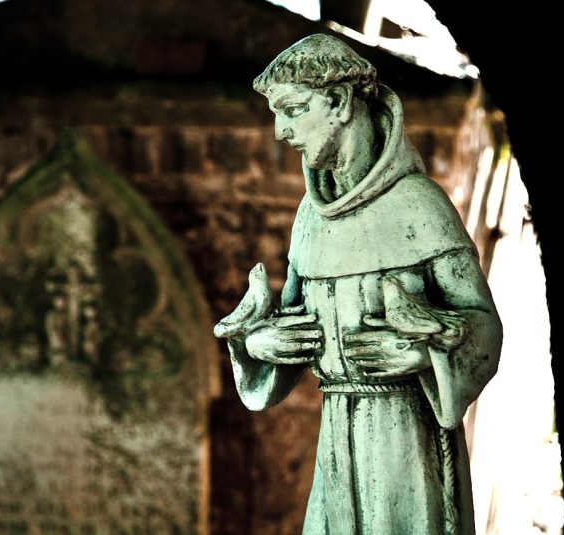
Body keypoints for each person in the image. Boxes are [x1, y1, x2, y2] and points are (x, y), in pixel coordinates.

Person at [215, 34, 502, 535]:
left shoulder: (419, 206)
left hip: (407, 440)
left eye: (293, 109)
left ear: (341, 102)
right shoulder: (310, 215)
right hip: (336, 434)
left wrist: (424, 355)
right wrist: (260, 342)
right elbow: (295, 324)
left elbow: (483, 327)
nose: (281, 131)